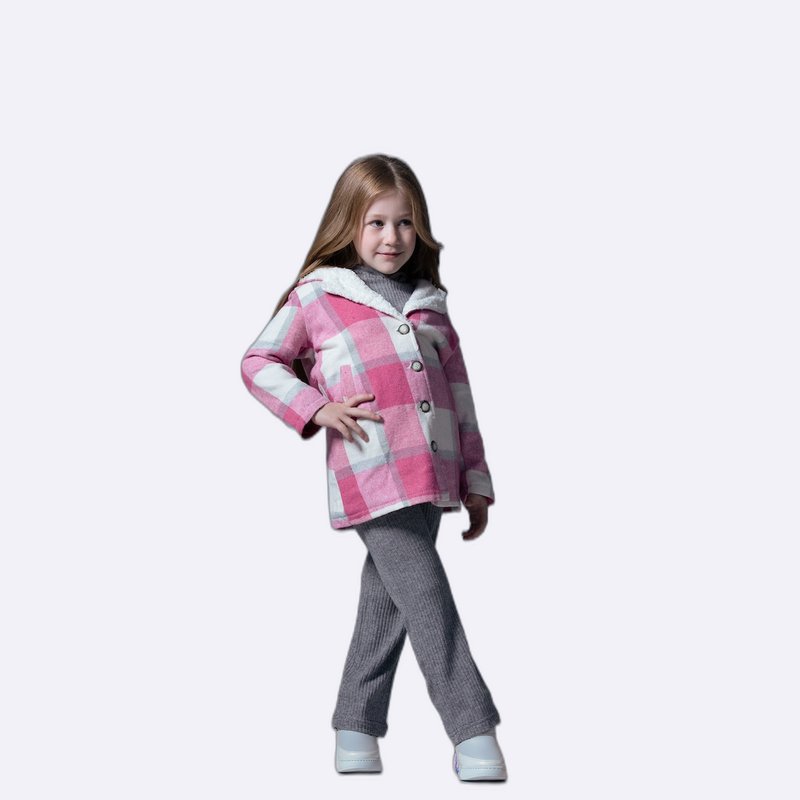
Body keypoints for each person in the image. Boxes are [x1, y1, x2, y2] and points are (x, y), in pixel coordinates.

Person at [240, 154, 507, 781]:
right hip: (373, 472)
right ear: (349, 224)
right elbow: (258, 362)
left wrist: (475, 481)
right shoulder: (319, 295)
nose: (392, 237)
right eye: (377, 223)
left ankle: (355, 730)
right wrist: (317, 407)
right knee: (430, 600)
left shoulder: (431, 305)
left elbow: (461, 398)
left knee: (387, 602)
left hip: (433, 475)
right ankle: (474, 731)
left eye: (405, 223)